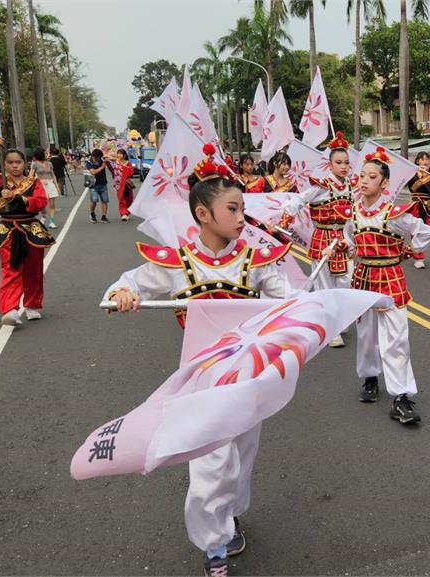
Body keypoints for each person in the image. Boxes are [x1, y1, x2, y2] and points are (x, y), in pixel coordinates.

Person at [104, 144, 292, 576]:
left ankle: (230, 517)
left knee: (242, 457)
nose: (242, 217)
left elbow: (292, 302)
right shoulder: (176, 264)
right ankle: (214, 547)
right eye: (232, 208)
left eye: (243, 207)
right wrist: (123, 293)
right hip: (202, 380)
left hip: (249, 377)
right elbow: (126, 283)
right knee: (210, 462)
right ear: (203, 214)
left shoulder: (257, 262)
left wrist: (333, 305)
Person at [336, 147, 430, 423]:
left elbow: (424, 231)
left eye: (371, 176)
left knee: (396, 339)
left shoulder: (394, 213)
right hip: (363, 280)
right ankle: (369, 377)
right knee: (367, 337)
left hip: (391, 281)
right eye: (362, 176)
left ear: (385, 183)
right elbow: (353, 244)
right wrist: (346, 248)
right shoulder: (352, 213)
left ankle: (401, 397)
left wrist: (409, 250)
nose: (364, 181)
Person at [281, 132, 356, 348]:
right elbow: (298, 200)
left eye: (346, 163)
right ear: (330, 164)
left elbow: (351, 218)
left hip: (342, 240)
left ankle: (339, 319)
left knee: (345, 282)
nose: (343, 166)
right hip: (323, 240)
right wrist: (287, 217)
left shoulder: (351, 187)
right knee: (324, 286)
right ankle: (331, 329)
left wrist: (352, 240)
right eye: (338, 162)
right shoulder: (320, 186)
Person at [0, 136, 55, 326]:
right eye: (10, 162)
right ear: (4, 164)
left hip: (31, 228)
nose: (14, 166)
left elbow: (41, 201)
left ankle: (32, 304)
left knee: (34, 270)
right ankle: (10, 309)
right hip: (7, 229)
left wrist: (18, 199)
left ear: (25, 163)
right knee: (10, 269)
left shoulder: (33, 182)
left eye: (18, 162)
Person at [405, 151, 430, 269]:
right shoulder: (412, 173)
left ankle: (417, 249)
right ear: (417, 161)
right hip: (415, 203)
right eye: (422, 159)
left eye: (427, 159)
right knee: (415, 230)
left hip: (428, 204)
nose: (425, 161)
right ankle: (418, 257)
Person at [30, 148, 61, 229]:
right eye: (45, 153)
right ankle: (44, 215)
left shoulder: (49, 163)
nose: (47, 154)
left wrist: (57, 186)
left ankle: (52, 221)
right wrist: (33, 185)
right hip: (40, 185)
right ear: (41, 154)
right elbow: (30, 176)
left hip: (50, 184)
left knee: (52, 204)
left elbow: (53, 175)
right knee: (42, 205)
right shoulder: (35, 164)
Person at [86, 149, 111, 223]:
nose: (95, 159)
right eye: (94, 157)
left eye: (97, 158)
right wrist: (102, 167)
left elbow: (111, 160)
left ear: (100, 157)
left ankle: (104, 216)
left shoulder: (103, 160)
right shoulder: (89, 162)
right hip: (93, 184)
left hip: (103, 183)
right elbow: (93, 172)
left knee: (105, 200)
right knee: (94, 200)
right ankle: (92, 214)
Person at [110, 149, 135, 221]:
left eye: (121, 153)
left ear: (124, 155)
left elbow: (130, 173)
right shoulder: (115, 163)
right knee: (121, 199)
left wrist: (124, 167)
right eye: (118, 153)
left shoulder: (128, 163)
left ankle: (127, 212)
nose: (119, 155)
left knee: (129, 200)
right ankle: (123, 213)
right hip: (118, 184)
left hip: (126, 184)